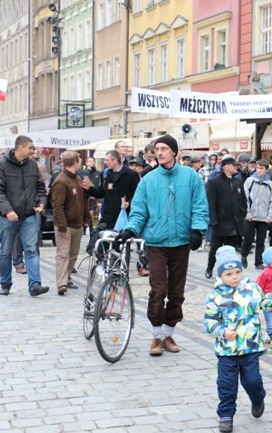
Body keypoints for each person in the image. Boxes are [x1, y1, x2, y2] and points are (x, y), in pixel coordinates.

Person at [116, 134, 209, 355]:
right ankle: (156, 336)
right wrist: (131, 228)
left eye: (164, 148)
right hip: (156, 242)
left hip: (180, 241)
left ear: (174, 152)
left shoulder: (190, 176)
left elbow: (200, 205)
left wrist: (197, 230)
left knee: (176, 291)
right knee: (158, 290)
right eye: (157, 149)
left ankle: (169, 334)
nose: (159, 152)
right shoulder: (148, 179)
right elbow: (139, 209)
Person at [203, 246, 272, 433]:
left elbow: (268, 301)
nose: (234, 277)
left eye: (237, 272)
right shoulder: (214, 296)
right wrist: (223, 332)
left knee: (252, 381)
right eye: (229, 273)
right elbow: (209, 321)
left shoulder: (252, 289)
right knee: (226, 385)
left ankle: (258, 399)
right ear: (220, 275)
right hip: (227, 350)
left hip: (250, 348)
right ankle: (226, 415)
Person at [0, 135, 49, 297]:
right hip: (7, 217)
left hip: (29, 215)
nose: (33, 151)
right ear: (20, 148)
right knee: (5, 251)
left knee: (32, 250)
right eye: (30, 148)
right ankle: (5, 283)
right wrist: (7, 210)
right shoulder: (2, 165)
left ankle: (35, 285)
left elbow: (40, 187)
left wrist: (41, 202)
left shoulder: (33, 166)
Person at [51, 151, 91, 295]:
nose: (81, 163)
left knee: (73, 254)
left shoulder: (78, 179)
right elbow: (58, 206)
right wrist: (61, 226)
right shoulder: (61, 181)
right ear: (75, 163)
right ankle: (61, 283)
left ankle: (67, 278)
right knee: (63, 254)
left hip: (77, 224)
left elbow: (82, 201)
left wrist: (86, 218)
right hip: (65, 225)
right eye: (79, 161)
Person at [205, 155, 247, 279]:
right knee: (215, 248)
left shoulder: (238, 181)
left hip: (234, 222)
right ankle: (209, 267)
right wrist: (213, 220)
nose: (237, 168)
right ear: (227, 167)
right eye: (234, 166)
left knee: (231, 250)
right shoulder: (214, 182)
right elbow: (210, 202)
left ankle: (229, 271)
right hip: (220, 221)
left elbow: (243, 200)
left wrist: (242, 212)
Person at [84, 150, 140, 229]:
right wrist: (89, 189)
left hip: (125, 215)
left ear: (115, 160)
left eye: (107, 160)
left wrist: (129, 202)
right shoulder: (105, 174)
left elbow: (138, 194)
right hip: (108, 216)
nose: (105, 162)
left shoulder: (131, 174)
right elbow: (101, 193)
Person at [240, 159, 272, 270]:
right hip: (251, 216)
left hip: (264, 217)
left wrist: (270, 216)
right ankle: (244, 255)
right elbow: (245, 198)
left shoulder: (270, 184)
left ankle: (258, 262)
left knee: (261, 240)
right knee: (248, 238)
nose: (259, 170)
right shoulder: (250, 181)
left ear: (266, 170)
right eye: (258, 168)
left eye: (262, 168)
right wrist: (247, 213)